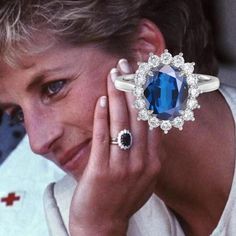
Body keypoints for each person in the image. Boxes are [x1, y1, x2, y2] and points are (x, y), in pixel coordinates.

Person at [0, 0, 235, 236]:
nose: (38, 142)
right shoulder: (77, 211)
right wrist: (99, 228)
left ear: (145, 51)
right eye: (18, 114)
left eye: (54, 88)